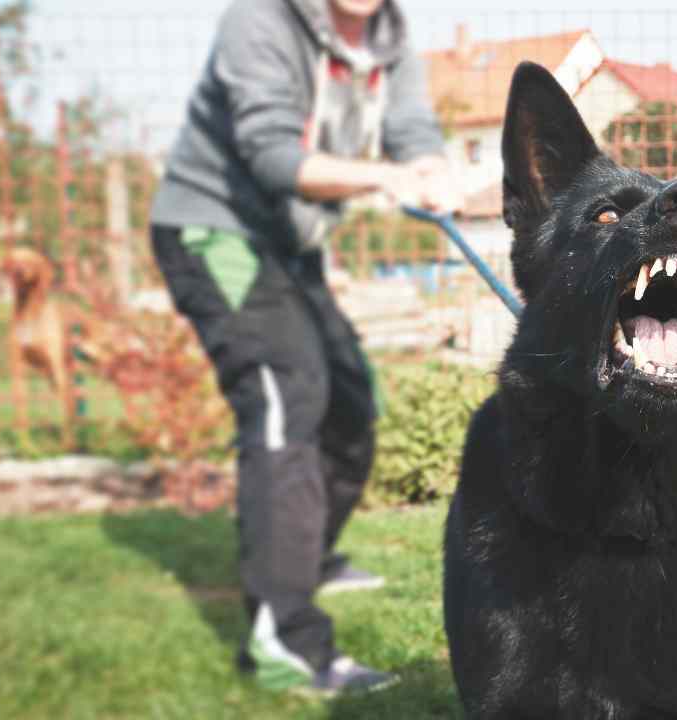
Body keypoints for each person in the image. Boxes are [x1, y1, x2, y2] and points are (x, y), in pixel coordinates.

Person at [148, 0, 457, 694]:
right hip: (215, 232)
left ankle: (304, 555)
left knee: (350, 404)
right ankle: (283, 642)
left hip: (291, 248)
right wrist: (385, 177)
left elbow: (409, 126)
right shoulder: (257, 21)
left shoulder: (390, 38)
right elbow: (273, 155)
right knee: (288, 398)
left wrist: (432, 167)